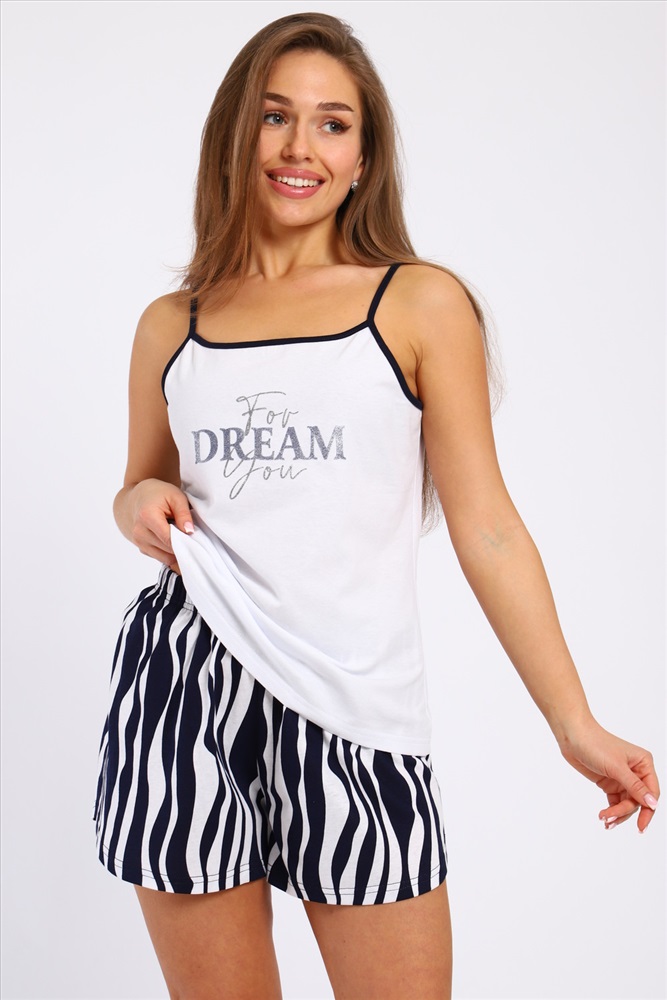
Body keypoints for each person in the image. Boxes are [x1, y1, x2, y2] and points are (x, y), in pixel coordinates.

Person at [93, 12, 659, 999]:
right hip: (185, 691)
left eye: (332, 123)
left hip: (355, 706)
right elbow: (137, 488)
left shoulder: (418, 303)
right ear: (236, 133)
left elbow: (488, 526)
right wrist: (138, 499)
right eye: (275, 116)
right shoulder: (169, 324)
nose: (299, 147)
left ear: (363, 157)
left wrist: (572, 722)